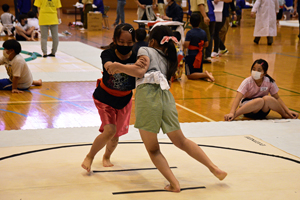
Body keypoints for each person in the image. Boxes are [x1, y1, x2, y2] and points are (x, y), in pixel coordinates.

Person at [106, 25, 227, 192]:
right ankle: (214, 168)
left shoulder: (145, 49)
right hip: (166, 96)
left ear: (153, 41)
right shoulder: (169, 58)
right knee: (182, 141)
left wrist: (118, 66)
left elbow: (140, 71)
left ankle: (174, 183)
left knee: (153, 149)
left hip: (148, 97)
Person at [81, 23, 137, 173]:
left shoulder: (138, 55)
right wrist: (112, 66)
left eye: (130, 43)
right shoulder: (108, 54)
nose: (126, 45)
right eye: (122, 42)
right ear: (114, 40)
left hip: (124, 100)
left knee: (116, 135)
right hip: (105, 98)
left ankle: (107, 156)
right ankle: (90, 156)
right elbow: (108, 65)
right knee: (110, 130)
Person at [224, 59, 299, 121]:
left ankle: (284, 115)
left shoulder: (269, 81)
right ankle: (235, 115)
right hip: (248, 108)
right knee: (260, 100)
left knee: (267, 98)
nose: (255, 72)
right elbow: (238, 98)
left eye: (259, 70)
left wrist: (288, 111)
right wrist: (232, 113)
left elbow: (277, 98)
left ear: (265, 73)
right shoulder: (247, 81)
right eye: (253, 69)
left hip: (263, 110)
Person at [184, 13, 215, 81]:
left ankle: (205, 74)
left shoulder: (190, 33)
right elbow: (206, 44)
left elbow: (186, 45)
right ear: (200, 22)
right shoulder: (203, 32)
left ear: (190, 22)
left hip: (191, 55)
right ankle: (206, 76)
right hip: (200, 54)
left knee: (189, 75)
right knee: (197, 71)